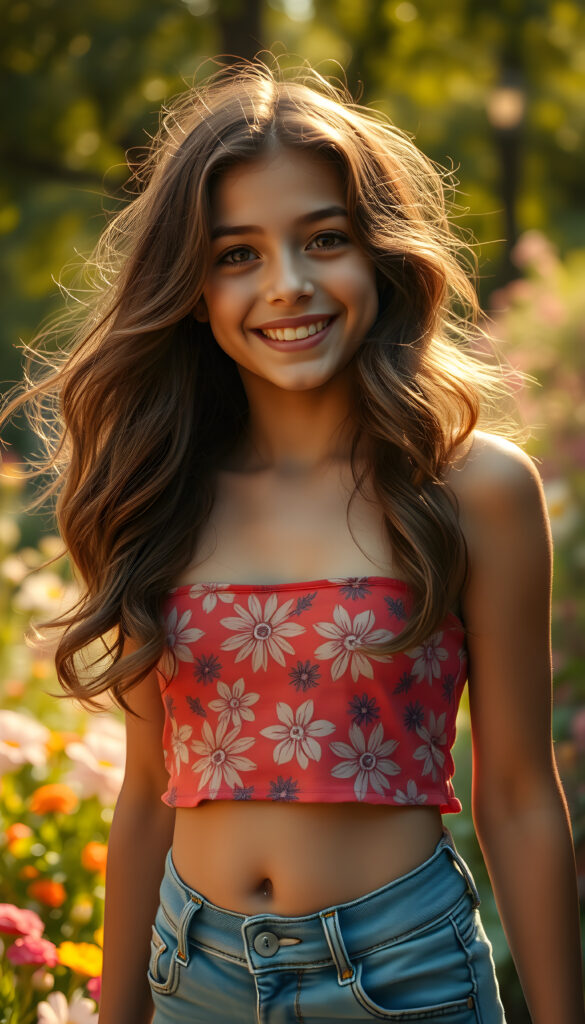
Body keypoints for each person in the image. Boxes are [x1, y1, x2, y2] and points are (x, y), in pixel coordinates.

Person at [3, 58, 583, 1024]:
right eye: (237, 254)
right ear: (190, 288)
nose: (288, 284)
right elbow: (149, 792)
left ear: (380, 256)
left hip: (403, 976)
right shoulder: (157, 494)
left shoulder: (473, 488)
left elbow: (520, 793)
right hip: (194, 976)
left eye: (324, 239)